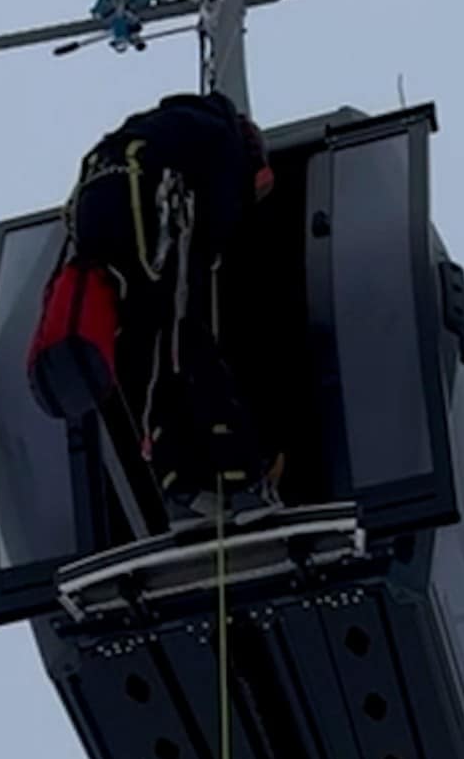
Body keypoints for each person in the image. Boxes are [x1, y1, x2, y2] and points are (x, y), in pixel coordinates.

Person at [29, 90, 278, 516]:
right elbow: (216, 218)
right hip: (146, 212)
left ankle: (177, 481)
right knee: (187, 338)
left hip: (105, 216)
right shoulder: (224, 138)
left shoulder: (152, 131)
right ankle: (243, 479)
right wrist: (211, 251)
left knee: (150, 348)